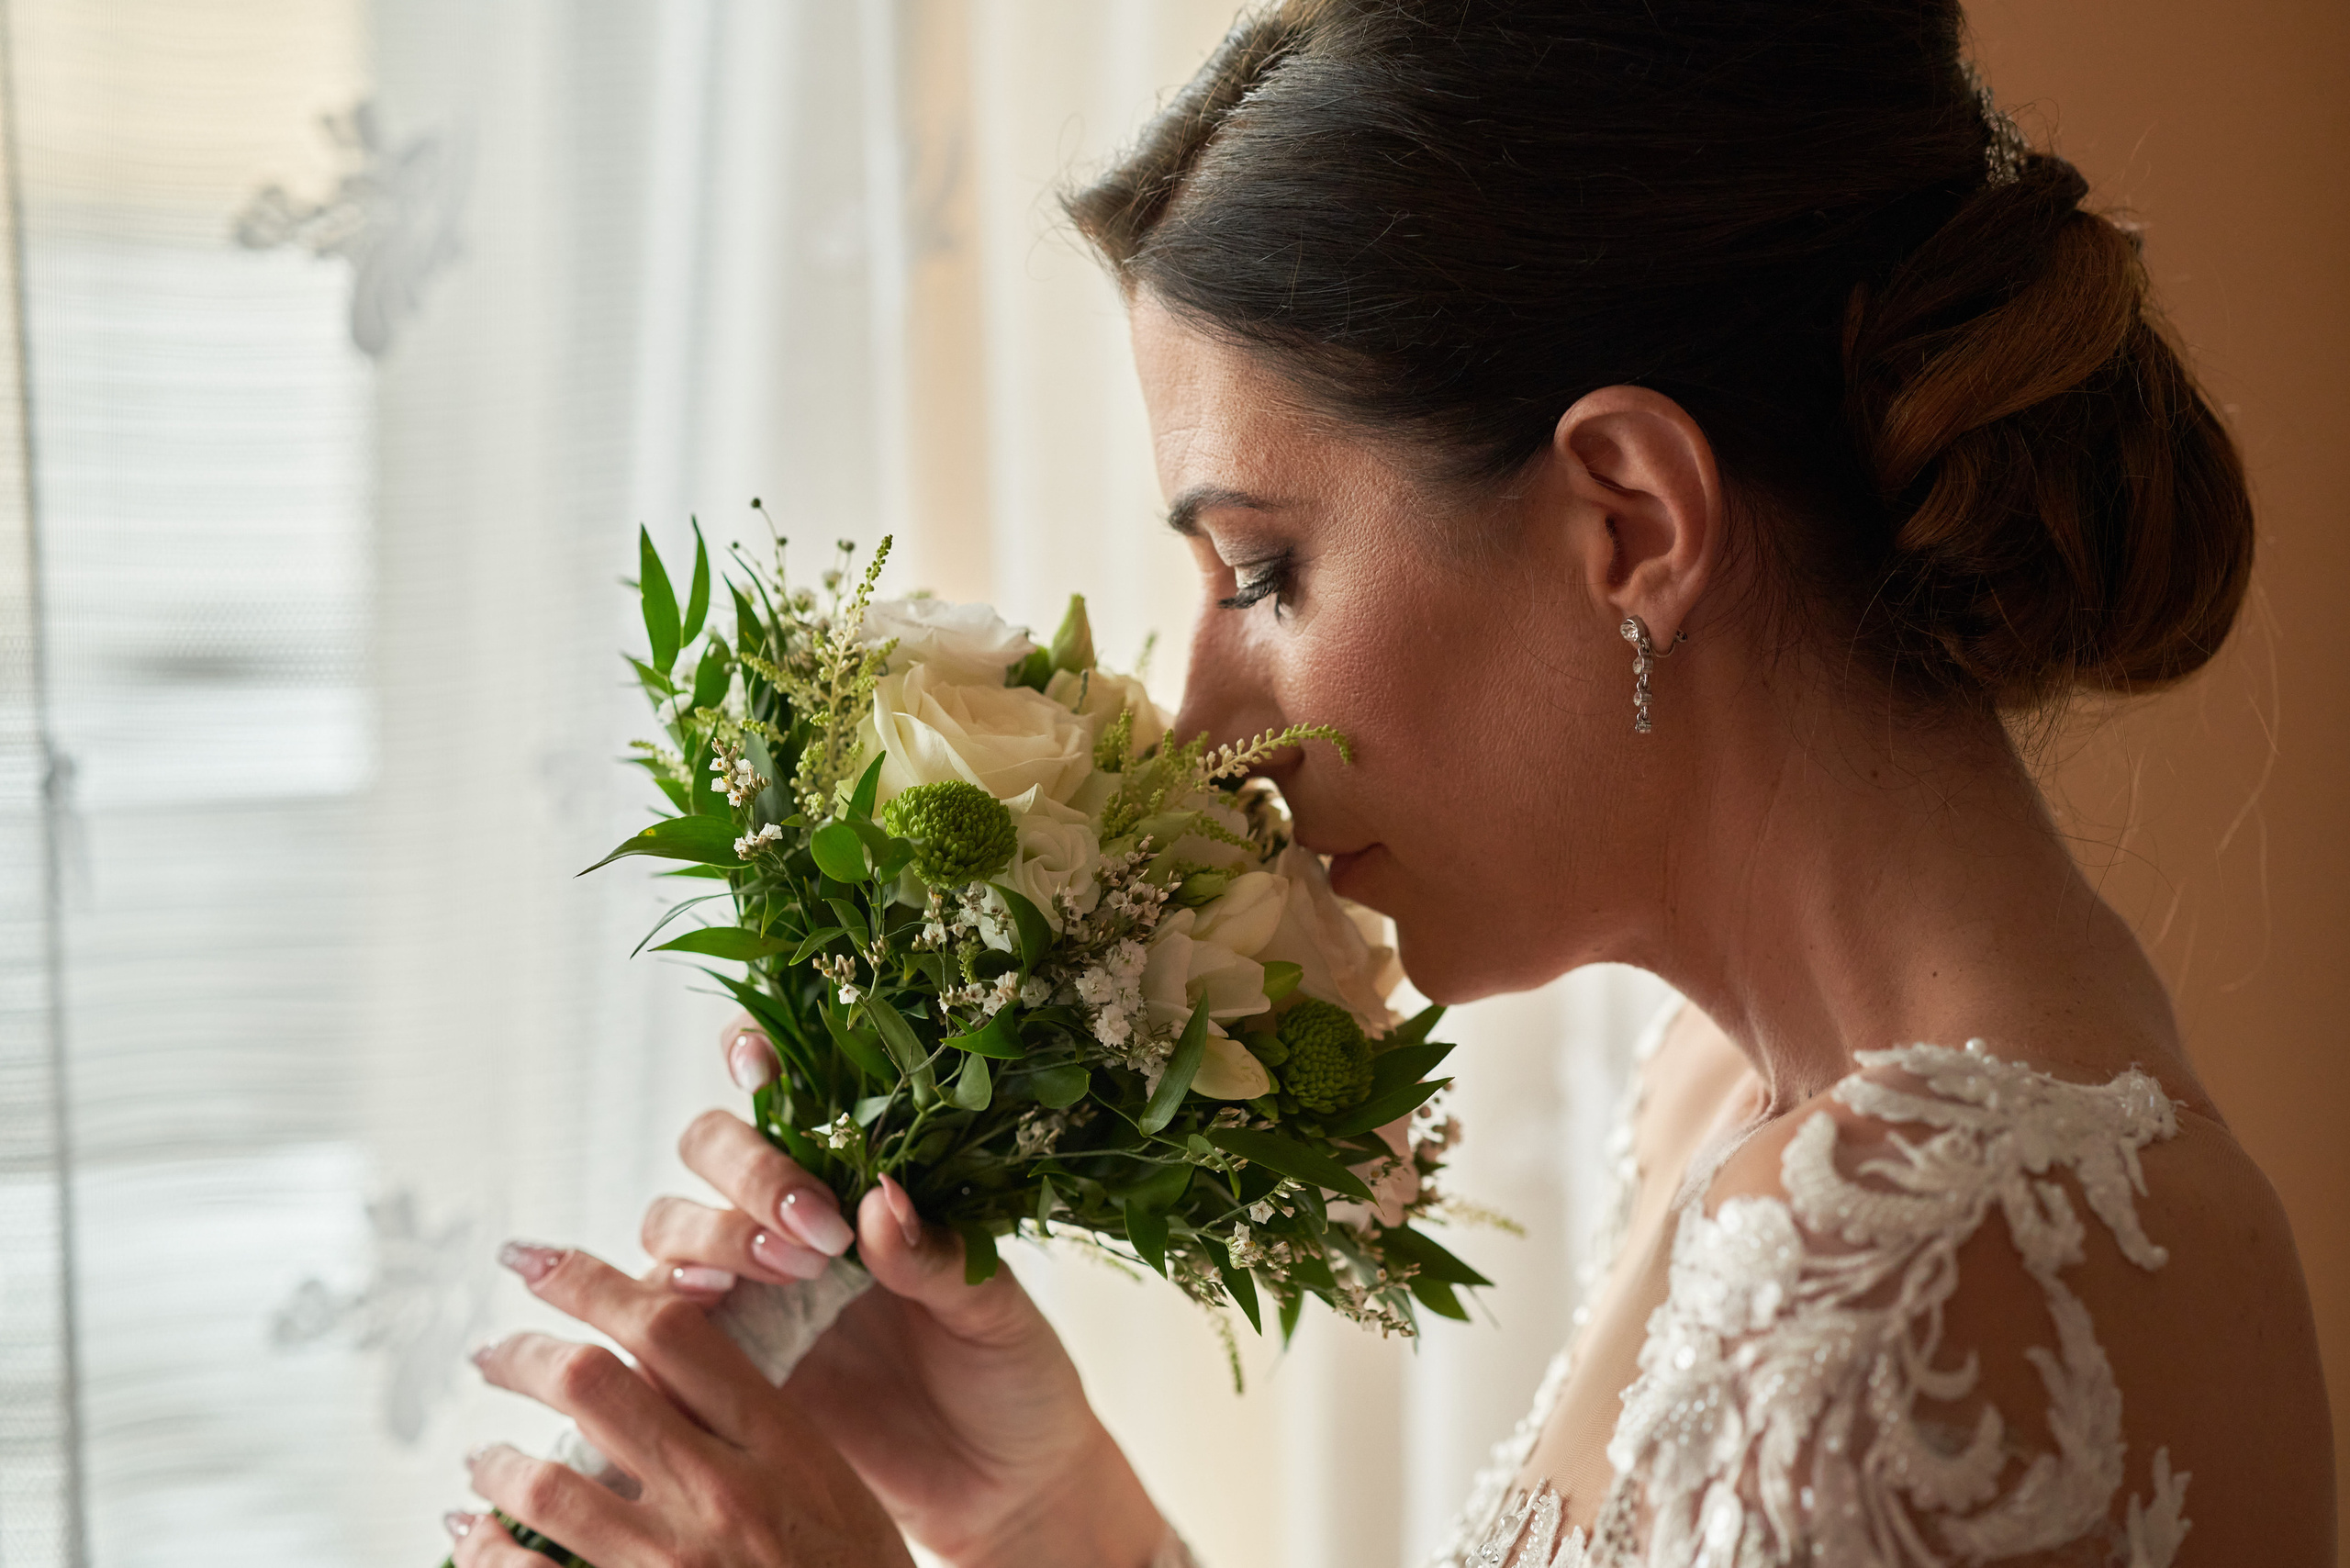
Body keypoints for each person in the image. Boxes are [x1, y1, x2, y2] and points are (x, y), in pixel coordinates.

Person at [442, 3, 2336, 1563]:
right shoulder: (1735, 1107)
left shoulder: (1929, 1252)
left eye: (1262, 569)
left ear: (1627, 516)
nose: (1195, 725)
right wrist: (1042, 1516)